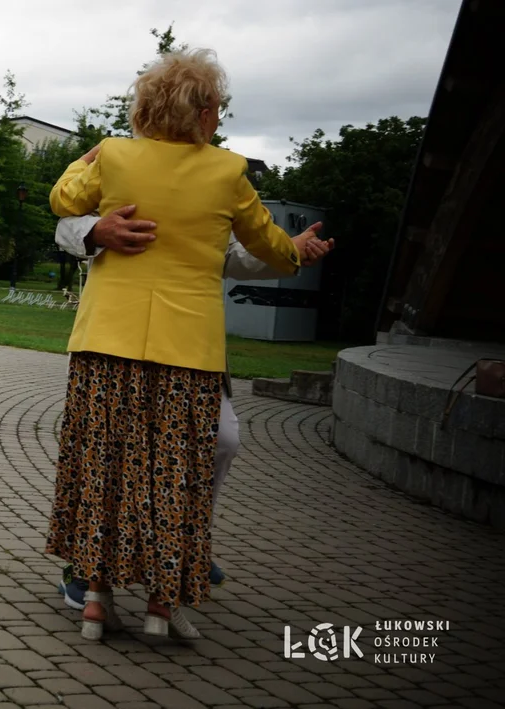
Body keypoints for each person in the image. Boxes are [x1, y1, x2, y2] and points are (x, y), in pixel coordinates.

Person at [43, 49, 307, 641]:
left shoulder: (111, 156)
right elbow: (267, 244)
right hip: (187, 352)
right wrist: (298, 253)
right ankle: (162, 606)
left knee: (103, 468)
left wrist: (83, 161)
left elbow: (62, 201)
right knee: (176, 476)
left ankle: (94, 600)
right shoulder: (228, 171)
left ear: (146, 105)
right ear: (206, 112)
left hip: (106, 343)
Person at [52, 208, 334, 609]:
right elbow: (65, 223)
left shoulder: (217, 176)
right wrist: (95, 229)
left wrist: (286, 250)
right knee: (104, 451)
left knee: (221, 438)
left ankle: (184, 544)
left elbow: (229, 254)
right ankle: (86, 566)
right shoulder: (114, 160)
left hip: (187, 343)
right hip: (116, 338)